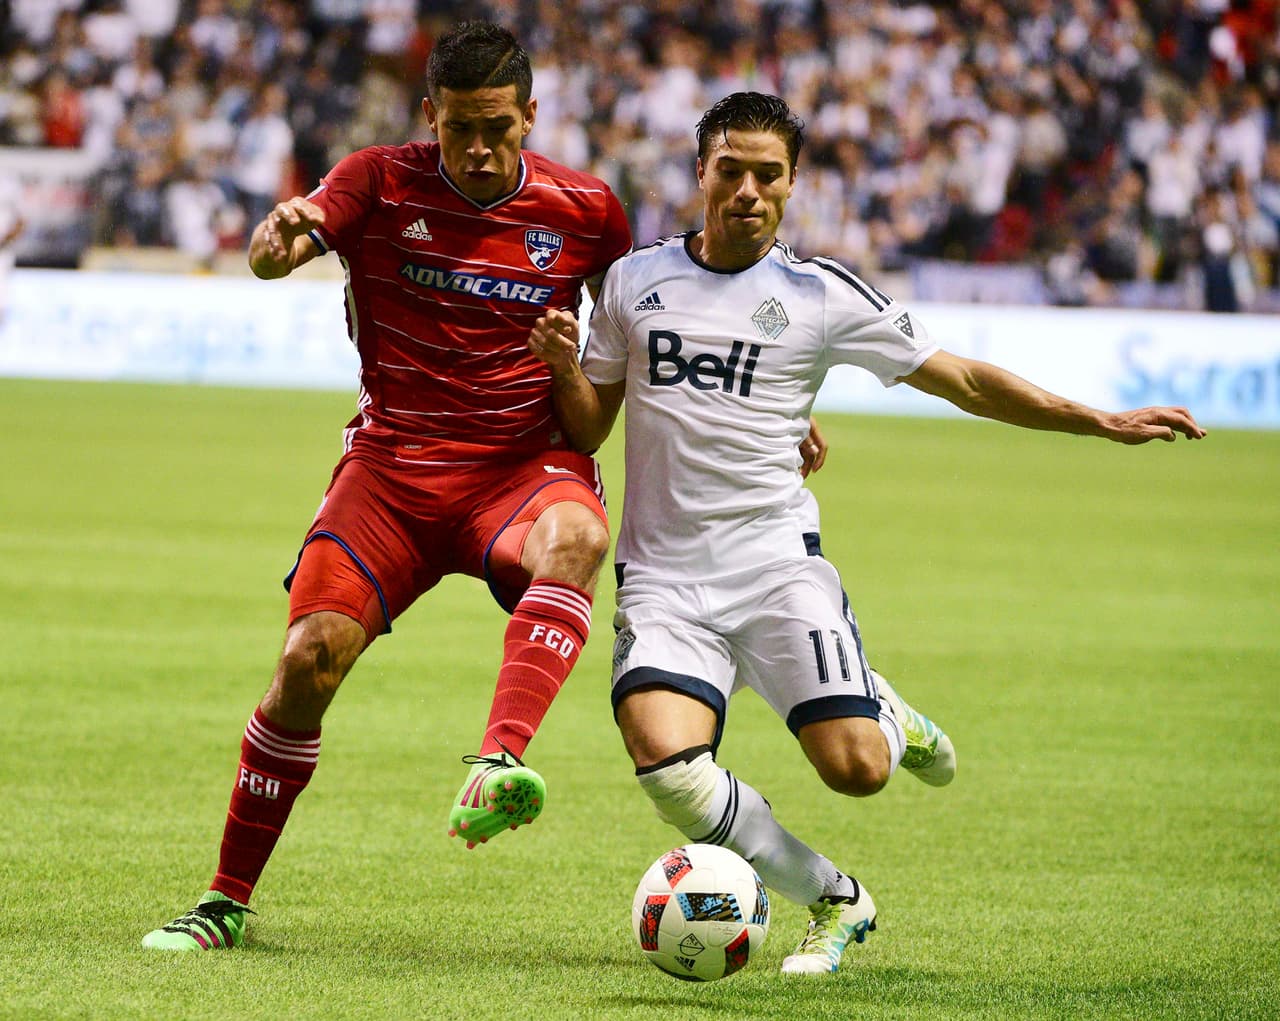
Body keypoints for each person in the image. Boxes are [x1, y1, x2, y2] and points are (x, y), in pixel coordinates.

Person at [528, 92, 1206, 976]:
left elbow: (960, 377)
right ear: (700, 173)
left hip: (775, 568)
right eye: (729, 171)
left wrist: (1099, 421)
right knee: (665, 762)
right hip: (664, 579)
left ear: (793, 185)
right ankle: (834, 899)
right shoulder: (633, 283)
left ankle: (881, 708)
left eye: (768, 176)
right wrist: (559, 368)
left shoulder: (817, 295)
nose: (747, 192)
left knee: (857, 770)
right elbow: (588, 429)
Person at [140, 20, 635, 952]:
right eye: (459, 128)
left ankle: (501, 757)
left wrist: (778, 410)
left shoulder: (588, 211)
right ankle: (224, 899)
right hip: (394, 470)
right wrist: (275, 243)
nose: (479, 148)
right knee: (304, 663)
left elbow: (655, 324)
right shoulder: (377, 178)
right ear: (428, 118)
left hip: (521, 467)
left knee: (576, 538)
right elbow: (284, 243)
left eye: (497, 126)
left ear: (531, 114)